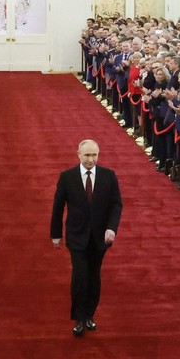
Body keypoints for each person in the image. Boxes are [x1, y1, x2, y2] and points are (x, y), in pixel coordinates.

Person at [50, 140, 123, 337]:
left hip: (100, 238)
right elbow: (58, 207)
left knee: (93, 276)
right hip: (76, 236)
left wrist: (111, 228)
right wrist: (55, 234)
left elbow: (116, 205)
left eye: (94, 155)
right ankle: (79, 318)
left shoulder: (109, 176)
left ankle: (90, 314)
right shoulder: (67, 177)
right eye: (87, 155)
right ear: (78, 155)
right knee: (80, 276)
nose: (91, 160)